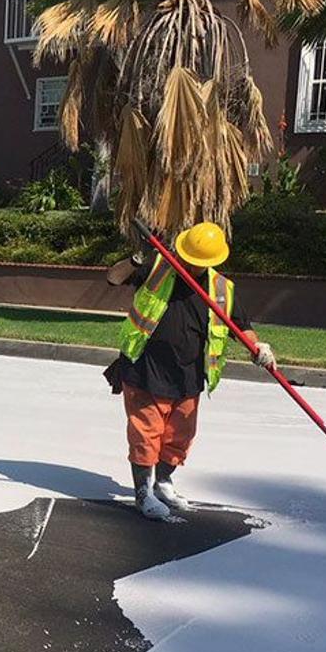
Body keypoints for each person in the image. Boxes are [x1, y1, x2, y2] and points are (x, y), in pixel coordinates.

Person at [104, 222, 277, 520]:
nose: (191, 265)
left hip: (189, 375)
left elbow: (241, 326)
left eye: (198, 262)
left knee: (179, 436)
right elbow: (112, 278)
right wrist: (136, 259)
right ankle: (143, 493)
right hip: (146, 367)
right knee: (146, 434)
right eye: (188, 258)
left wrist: (258, 348)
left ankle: (162, 482)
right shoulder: (157, 269)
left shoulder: (222, 288)